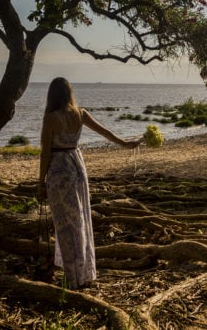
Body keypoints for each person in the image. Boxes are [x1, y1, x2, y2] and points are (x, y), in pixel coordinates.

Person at [38, 77, 141, 289]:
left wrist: (40, 182)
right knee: (80, 220)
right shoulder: (80, 113)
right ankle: (83, 272)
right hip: (77, 166)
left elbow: (45, 153)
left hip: (59, 170)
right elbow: (105, 132)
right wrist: (125, 144)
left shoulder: (51, 118)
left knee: (65, 225)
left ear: (52, 95)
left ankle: (72, 278)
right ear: (69, 93)